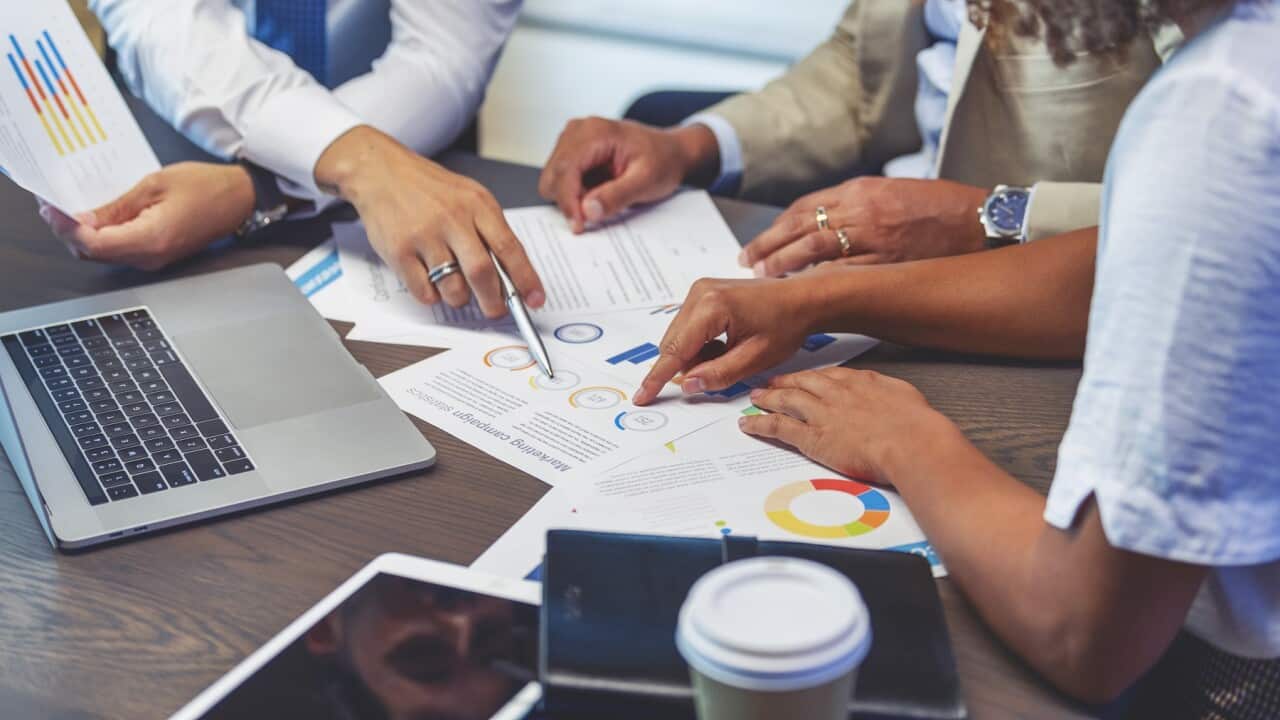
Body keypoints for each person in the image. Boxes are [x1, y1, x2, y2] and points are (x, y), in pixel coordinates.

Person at [636, 0, 1280, 713]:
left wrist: (903, 441)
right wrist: (828, 299)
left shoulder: (1219, 120)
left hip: (1221, 678)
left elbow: (1084, 633)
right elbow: (1112, 263)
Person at [539, 0, 1177, 276]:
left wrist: (987, 215)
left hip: (1053, 295)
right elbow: (863, 69)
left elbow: (1237, 212)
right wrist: (693, 146)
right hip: (883, 257)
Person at [44, 0, 544, 321]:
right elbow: (160, 22)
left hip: (407, 147)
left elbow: (443, 55)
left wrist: (254, 191)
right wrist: (359, 162)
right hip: (173, 138)